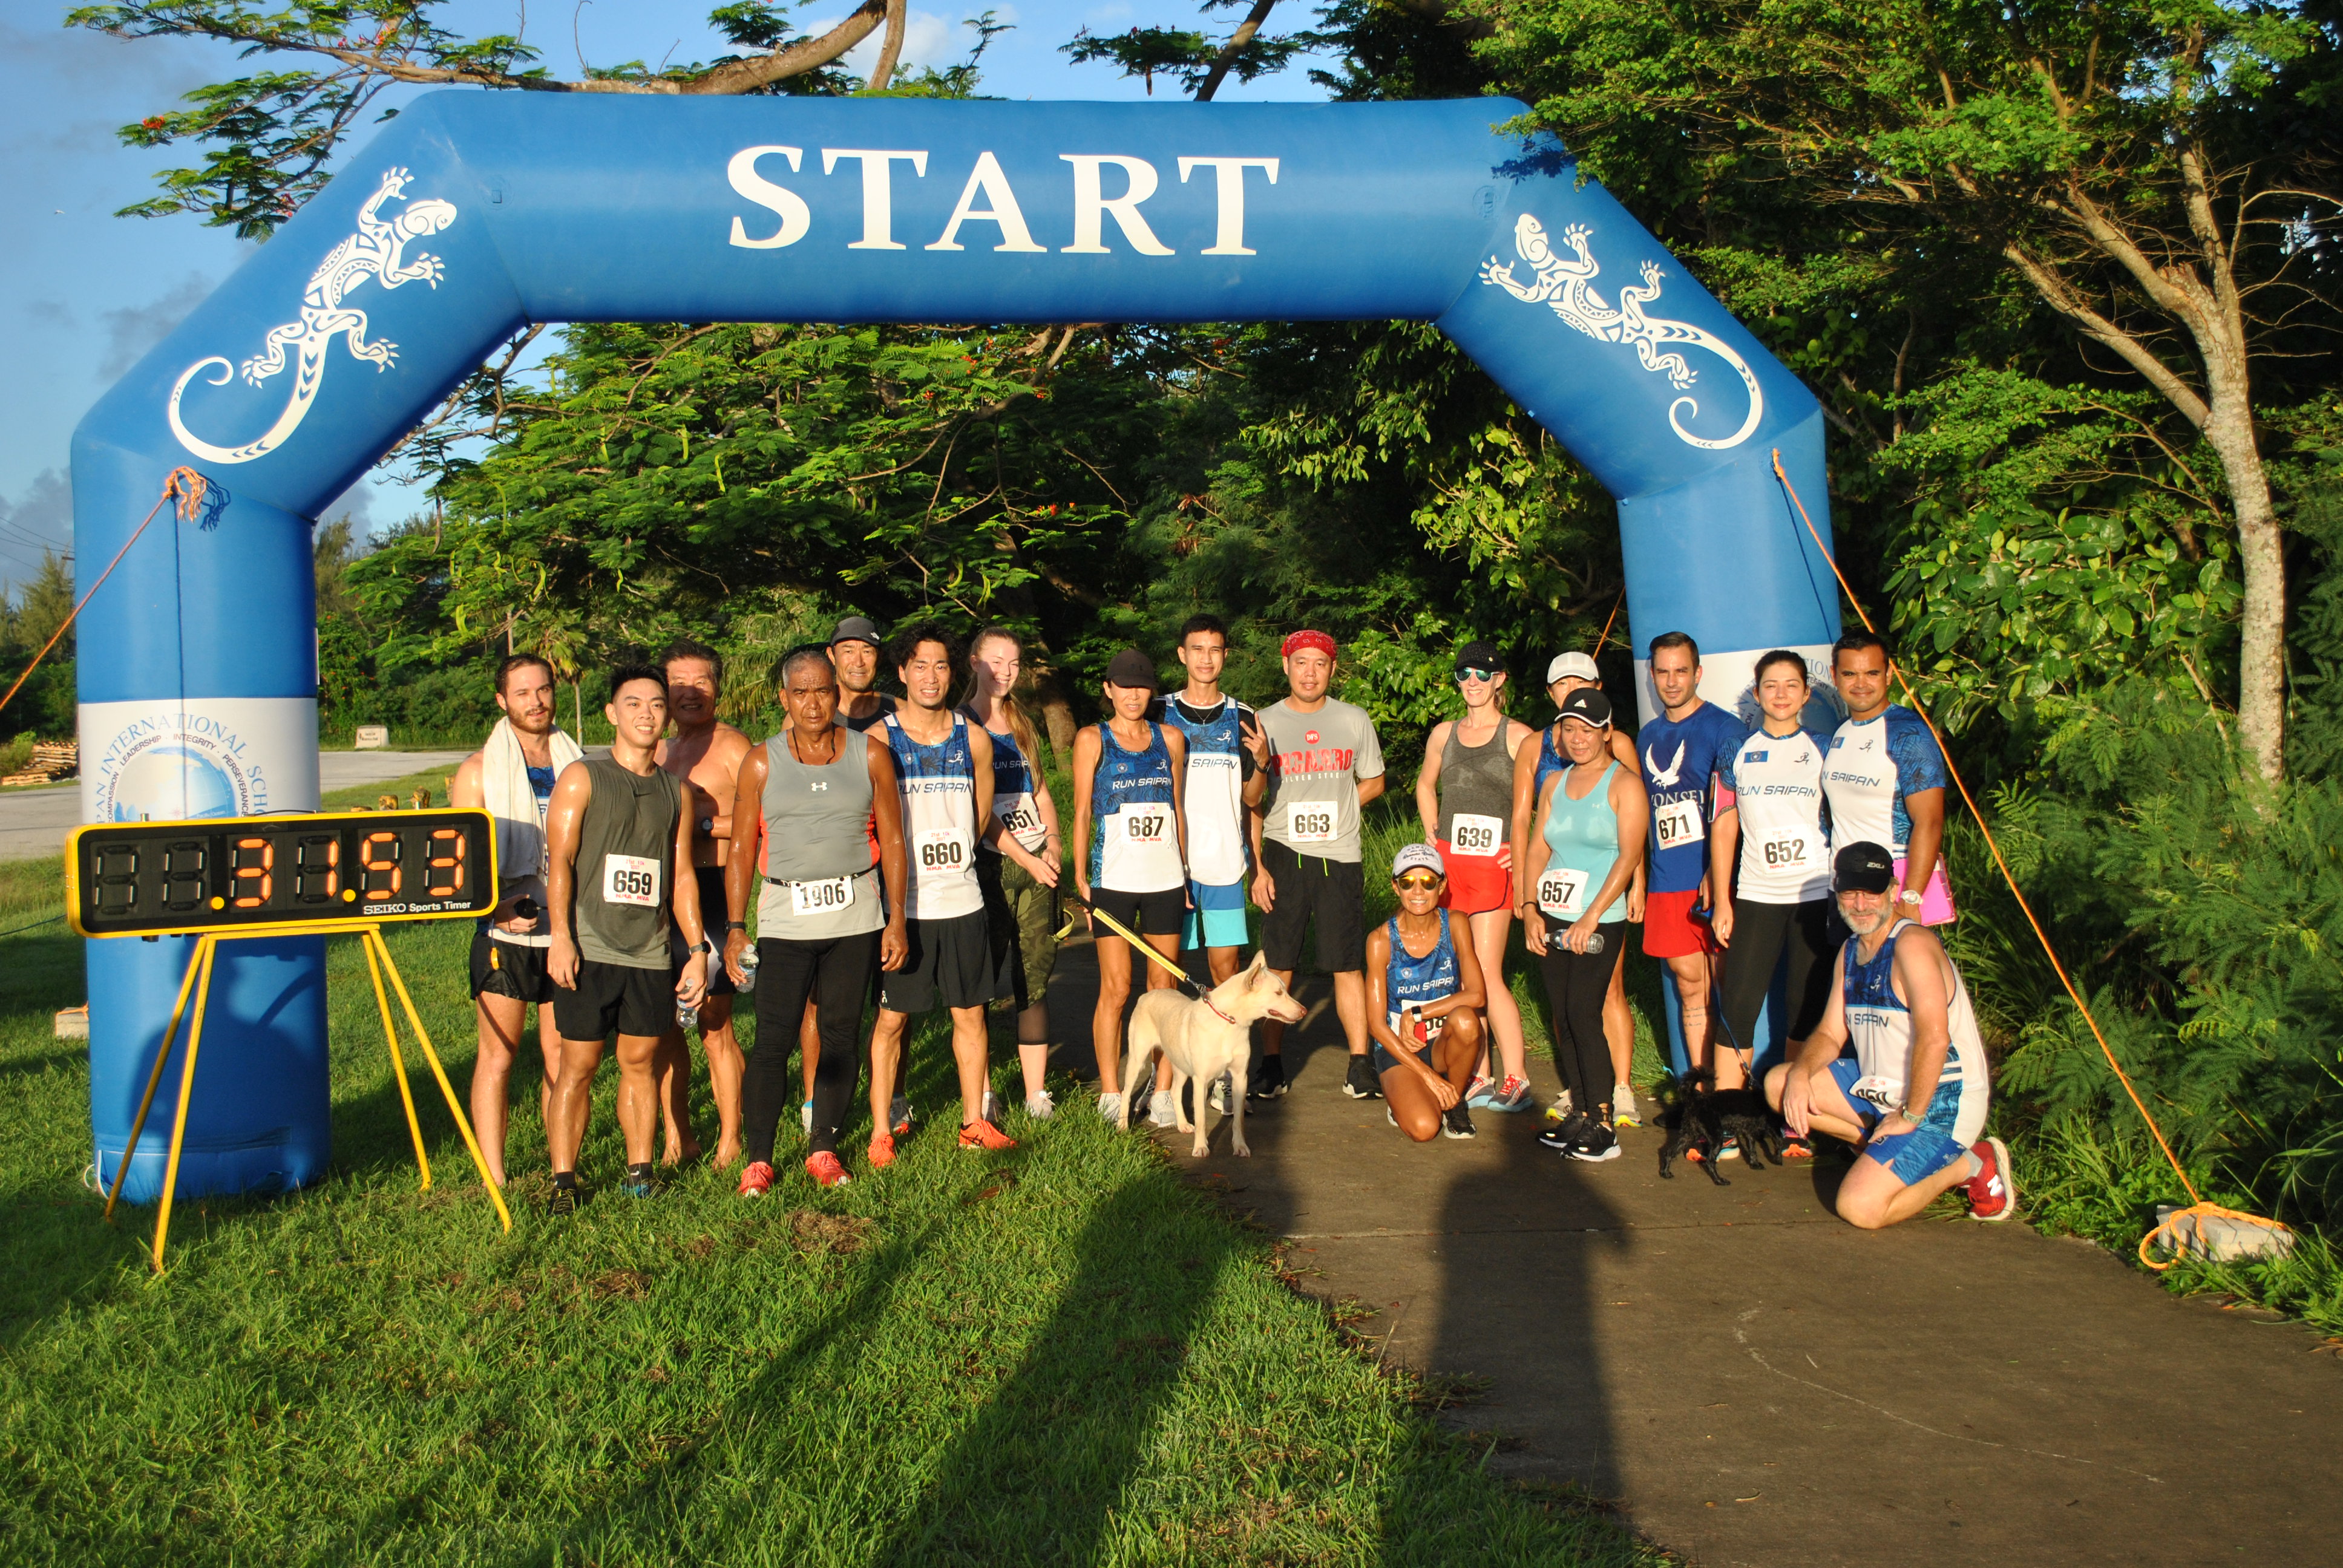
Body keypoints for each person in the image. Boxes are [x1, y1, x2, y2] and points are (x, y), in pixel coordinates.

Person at [866, 622, 1060, 1163]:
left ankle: (974, 1121)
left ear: (955, 673)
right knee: (892, 1019)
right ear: (902, 672)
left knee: (970, 1014)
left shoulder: (972, 738)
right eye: (920, 667)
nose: (931, 678)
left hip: (964, 900)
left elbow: (978, 820)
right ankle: (881, 1128)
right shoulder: (879, 739)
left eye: (941, 667)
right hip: (905, 906)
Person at [725, 646, 909, 1193]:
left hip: (856, 916)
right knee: (774, 1039)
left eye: (822, 690)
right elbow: (740, 847)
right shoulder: (761, 762)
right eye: (800, 692)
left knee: (840, 1036)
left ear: (838, 695)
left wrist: (896, 918)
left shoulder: (871, 754)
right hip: (786, 919)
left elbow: (894, 839)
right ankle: (759, 1157)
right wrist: (736, 926)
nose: (812, 702)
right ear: (784, 698)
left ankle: (823, 1147)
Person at [1765, 843, 2014, 1227]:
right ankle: (1882, 1150)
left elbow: (1935, 1039)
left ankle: (1970, 1163)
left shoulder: (1912, 945)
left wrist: (1912, 1115)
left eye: (1872, 892)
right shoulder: (1850, 950)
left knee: (1859, 1209)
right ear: (1837, 892)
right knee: (1780, 1084)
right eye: (1850, 892)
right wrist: (1800, 1073)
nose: (1861, 904)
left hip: (1940, 1102)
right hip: (1884, 1092)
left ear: (1893, 891)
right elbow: (1831, 1033)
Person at [542, 664, 712, 1213]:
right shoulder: (582, 777)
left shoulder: (677, 792)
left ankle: (639, 1170)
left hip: (650, 951)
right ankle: (564, 1180)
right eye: (633, 703)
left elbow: (683, 873)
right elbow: (561, 862)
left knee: (641, 1062)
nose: (646, 714)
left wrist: (697, 950)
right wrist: (562, 937)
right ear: (612, 713)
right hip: (590, 947)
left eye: (657, 705)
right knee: (580, 1065)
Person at [449, 653, 585, 1186]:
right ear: (503, 701)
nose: (537, 702)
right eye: (523, 693)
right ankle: (495, 1176)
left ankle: (561, 1168)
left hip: (566, 932)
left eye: (544, 690)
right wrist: (496, 909)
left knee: (561, 1057)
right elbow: (460, 867)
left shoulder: (578, 765)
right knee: (499, 1057)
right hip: (506, 933)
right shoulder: (479, 771)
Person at [1251, 630, 1388, 1100]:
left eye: (1320, 664)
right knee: (1279, 962)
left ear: (1333, 669)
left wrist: (1343, 805)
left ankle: (1360, 1063)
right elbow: (1250, 801)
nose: (1310, 672)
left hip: (1340, 855)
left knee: (1347, 963)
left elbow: (1374, 779)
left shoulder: (1353, 719)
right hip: (1284, 852)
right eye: (1301, 662)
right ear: (1286, 665)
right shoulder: (1262, 721)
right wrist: (1258, 868)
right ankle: (1270, 1065)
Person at [1709, 650, 1838, 1142]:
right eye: (1771, 685)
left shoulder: (1826, 747)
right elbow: (1724, 827)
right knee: (1739, 1005)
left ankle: (1796, 1124)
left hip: (1814, 895)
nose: (1781, 694)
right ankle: (1724, 1119)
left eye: (1791, 686)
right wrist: (1723, 899)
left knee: (1804, 1007)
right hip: (1758, 894)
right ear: (1757, 693)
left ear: (1807, 694)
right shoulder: (1736, 750)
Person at [1513, 651, 1645, 1126]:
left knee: (1585, 1013)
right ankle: (1583, 1109)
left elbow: (1629, 855)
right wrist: (1529, 907)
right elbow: (1538, 849)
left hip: (1598, 919)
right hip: (1552, 914)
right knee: (1564, 1016)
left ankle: (1604, 1117)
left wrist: (1592, 914)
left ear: (1606, 732)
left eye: (1588, 730)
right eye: (1570, 729)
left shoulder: (1625, 784)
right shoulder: (1553, 781)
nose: (1578, 738)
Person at [1154, 614, 1270, 1119]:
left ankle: (1224, 1078)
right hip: (1166, 867)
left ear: (1226, 656)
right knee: (1164, 979)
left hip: (1224, 864)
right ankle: (1163, 1092)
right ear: (1181, 654)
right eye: (1196, 648)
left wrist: (1263, 762)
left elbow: (1251, 799)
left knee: (1228, 977)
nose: (1206, 658)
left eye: (1215, 649)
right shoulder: (1157, 710)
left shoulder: (1243, 716)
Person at [1415, 640, 1537, 1113]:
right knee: (1463, 975)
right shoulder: (1443, 734)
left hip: (1492, 868)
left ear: (1500, 680)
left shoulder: (1517, 735)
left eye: (1482, 675)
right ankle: (1482, 1074)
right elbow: (1426, 785)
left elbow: (1545, 800)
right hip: (1451, 867)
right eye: (1464, 674)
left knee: (1487, 973)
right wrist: (1432, 834)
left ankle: (1518, 1076)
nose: (1472, 683)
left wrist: (1522, 853)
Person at [1072, 647, 1191, 1123]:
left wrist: (1184, 873)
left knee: (1162, 989)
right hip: (1114, 881)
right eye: (1124, 686)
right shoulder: (1091, 738)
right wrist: (1081, 878)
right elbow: (1081, 812)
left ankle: (1161, 1093)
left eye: (1142, 686)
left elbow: (1177, 809)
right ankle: (1111, 1090)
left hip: (1164, 880)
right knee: (1117, 988)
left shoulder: (1171, 739)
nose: (1133, 694)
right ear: (1109, 689)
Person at [791, 613, 898, 1137]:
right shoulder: (806, 722)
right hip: (827, 881)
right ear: (831, 658)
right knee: (820, 1000)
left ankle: (890, 1096)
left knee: (891, 997)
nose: (858, 660)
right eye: (848, 650)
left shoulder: (900, 718)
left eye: (868, 651)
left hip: (886, 876)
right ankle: (815, 1097)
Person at [652, 638, 752, 1168]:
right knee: (666, 1026)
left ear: (718, 688)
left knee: (714, 1023)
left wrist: (703, 823)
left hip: (713, 892)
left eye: (702, 682)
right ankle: (678, 1137)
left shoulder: (733, 746)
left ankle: (731, 1138)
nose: (690, 693)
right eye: (678, 685)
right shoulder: (662, 751)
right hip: (660, 899)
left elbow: (767, 819)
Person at [962, 625, 1066, 1119]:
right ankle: (981, 1091)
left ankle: (1035, 1093)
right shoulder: (959, 725)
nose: (1004, 673)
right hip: (986, 866)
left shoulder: (1022, 722)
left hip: (1034, 867)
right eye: (995, 662)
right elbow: (978, 813)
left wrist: (1054, 845)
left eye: (1014, 664)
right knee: (981, 979)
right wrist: (1024, 856)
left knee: (1035, 976)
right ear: (974, 663)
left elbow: (1040, 791)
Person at [1636, 632, 1746, 1087]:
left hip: (1713, 879)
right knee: (1689, 987)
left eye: (1681, 671)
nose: (1672, 681)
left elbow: (1737, 809)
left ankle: (1733, 1096)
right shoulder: (1648, 735)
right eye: (1662, 671)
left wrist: (1718, 875)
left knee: (1727, 988)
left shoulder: (1725, 728)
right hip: (1667, 879)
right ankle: (1702, 1092)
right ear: (1652, 675)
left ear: (1698, 673)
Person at [1823, 630, 1956, 926]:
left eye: (1872, 673)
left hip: (1890, 887)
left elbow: (1930, 821)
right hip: (1844, 885)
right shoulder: (1841, 732)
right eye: (1849, 674)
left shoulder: (1908, 733)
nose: (1861, 684)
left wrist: (1912, 896)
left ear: (1888, 675)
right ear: (1834, 675)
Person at [1364, 843, 1489, 1141]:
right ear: (1396, 888)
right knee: (1424, 1130)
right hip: (1400, 1050)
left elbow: (1477, 995)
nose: (1417, 891)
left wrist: (1418, 1012)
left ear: (1442, 885)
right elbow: (1377, 1026)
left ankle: (1455, 1102)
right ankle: (1412, 1095)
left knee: (1467, 1020)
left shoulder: (1456, 924)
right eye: (1407, 883)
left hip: (1442, 1043)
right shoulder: (1381, 940)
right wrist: (1427, 1076)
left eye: (1428, 882)